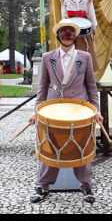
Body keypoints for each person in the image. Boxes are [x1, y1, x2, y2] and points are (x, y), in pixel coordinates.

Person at [29, 19, 103, 204]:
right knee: (50, 147)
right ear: (58, 35)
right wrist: (37, 111)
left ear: (75, 35)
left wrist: (97, 110)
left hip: (80, 110)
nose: (67, 34)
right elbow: (42, 87)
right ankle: (42, 186)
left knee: (82, 149)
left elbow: (91, 86)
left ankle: (86, 186)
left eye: (71, 31)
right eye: (64, 31)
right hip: (53, 110)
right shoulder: (48, 57)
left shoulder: (85, 57)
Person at [60, 0, 98, 72]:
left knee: (84, 52)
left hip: (84, 29)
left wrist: (93, 27)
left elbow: (91, 11)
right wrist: (63, 28)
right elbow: (63, 14)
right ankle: (71, 79)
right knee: (69, 54)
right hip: (70, 29)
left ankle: (86, 78)